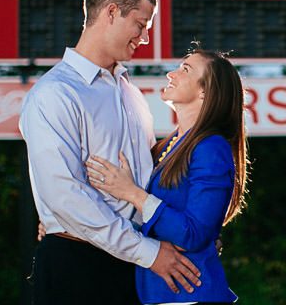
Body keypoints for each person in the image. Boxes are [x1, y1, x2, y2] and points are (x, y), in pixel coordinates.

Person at [20, 0, 201, 305]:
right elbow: (65, 198)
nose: (145, 38)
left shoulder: (130, 94)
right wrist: (148, 253)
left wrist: (198, 228)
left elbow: (150, 180)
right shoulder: (54, 93)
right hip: (79, 266)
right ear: (112, 12)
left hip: (136, 264)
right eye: (140, 25)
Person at [85, 44, 248, 304]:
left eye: (185, 69)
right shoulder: (167, 146)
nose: (171, 74)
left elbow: (193, 234)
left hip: (191, 294)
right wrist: (63, 221)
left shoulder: (211, 147)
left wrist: (133, 194)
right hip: (160, 293)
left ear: (205, 91)